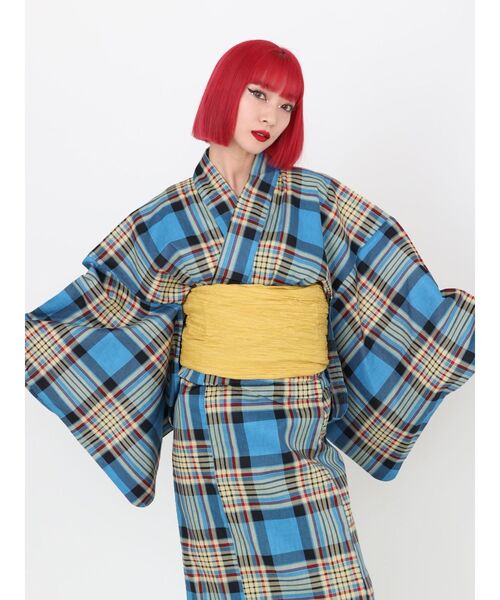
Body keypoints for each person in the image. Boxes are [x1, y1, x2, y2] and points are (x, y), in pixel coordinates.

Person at [25, 39, 475, 599]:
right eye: (258, 94)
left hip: (296, 418)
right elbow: (111, 307)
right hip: (208, 428)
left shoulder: (319, 200)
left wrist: (458, 325)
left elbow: (386, 277)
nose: (271, 116)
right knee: (225, 582)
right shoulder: (168, 213)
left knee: (332, 578)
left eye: (286, 105)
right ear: (224, 92)